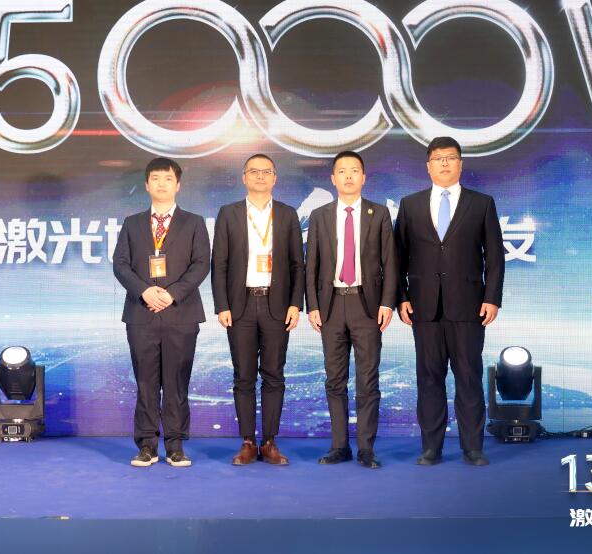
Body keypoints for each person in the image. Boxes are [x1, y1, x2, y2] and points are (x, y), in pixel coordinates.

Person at [395, 136, 505, 466]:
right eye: (438, 158)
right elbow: (397, 258)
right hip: (423, 308)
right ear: (428, 166)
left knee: (468, 378)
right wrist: (402, 297)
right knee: (429, 380)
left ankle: (473, 447)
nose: (444, 163)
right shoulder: (410, 205)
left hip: (469, 306)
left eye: (450, 157)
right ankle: (431, 448)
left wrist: (492, 298)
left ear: (461, 164)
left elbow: (495, 257)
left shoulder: (481, 203)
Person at [112, 157, 210, 468]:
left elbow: (201, 264)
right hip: (141, 314)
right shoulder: (132, 223)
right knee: (146, 383)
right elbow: (120, 264)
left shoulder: (194, 222)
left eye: (168, 178)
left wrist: (171, 294)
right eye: (155, 178)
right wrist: (144, 291)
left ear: (178, 185)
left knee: (177, 383)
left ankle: (176, 445)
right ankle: (147, 445)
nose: (162, 183)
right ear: (146, 185)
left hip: (181, 313)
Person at [305, 150, 397, 469]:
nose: (348, 176)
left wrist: (387, 303)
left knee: (367, 380)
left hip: (366, 305)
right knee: (335, 380)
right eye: (342, 171)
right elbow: (311, 264)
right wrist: (312, 305)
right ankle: (339, 446)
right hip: (330, 305)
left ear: (363, 177)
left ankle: (366, 449)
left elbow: (390, 263)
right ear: (333, 179)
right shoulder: (320, 215)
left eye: (354, 170)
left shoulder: (379, 213)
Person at [212, 154, 304, 465]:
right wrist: (222, 305)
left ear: (275, 178)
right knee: (244, 376)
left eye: (266, 172)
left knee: (274, 375)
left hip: (277, 305)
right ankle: (248, 442)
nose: (260, 176)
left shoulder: (288, 214)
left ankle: (270, 442)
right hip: (240, 305)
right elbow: (219, 263)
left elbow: (298, 264)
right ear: (244, 177)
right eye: (254, 171)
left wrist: (295, 303)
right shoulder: (229, 213)